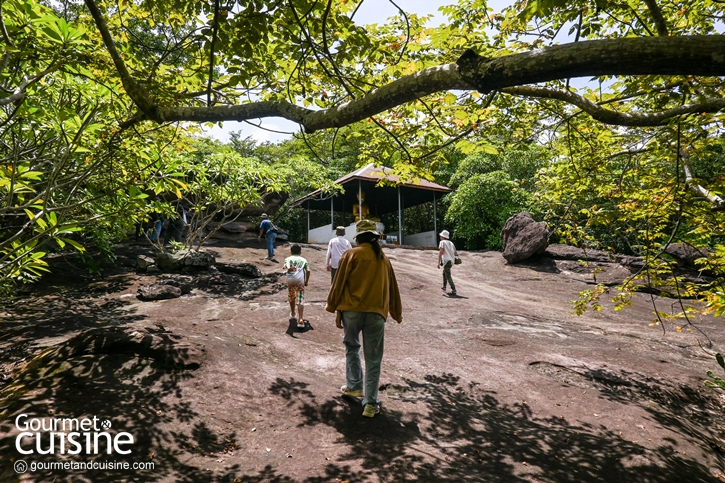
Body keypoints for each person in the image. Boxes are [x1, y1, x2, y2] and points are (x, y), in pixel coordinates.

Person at [326, 219, 403, 418]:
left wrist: (332, 305)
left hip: (351, 312)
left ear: (358, 238)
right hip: (376, 313)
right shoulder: (383, 259)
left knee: (352, 347)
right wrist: (396, 312)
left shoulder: (351, 255)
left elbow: (338, 283)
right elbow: (393, 288)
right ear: (375, 238)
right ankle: (370, 403)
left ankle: (354, 386)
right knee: (373, 358)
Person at [283, 244, 310, 329]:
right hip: (300, 281)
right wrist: (306, 281)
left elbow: (287, 265)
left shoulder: (288, 259)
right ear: (300, 252)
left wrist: (289, 268)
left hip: (291, 280)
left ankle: (293, 313)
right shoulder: (303, 260)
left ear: (290, 252)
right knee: (300, 299)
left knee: (291, 296)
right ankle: (301, 319)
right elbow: (308, 270)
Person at [437, 229, 458, 296]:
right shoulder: (451, 243)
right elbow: (455, 253)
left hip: (446, 261)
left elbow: (441, 252)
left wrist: (438, 262)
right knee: (444, 273)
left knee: (448, 275)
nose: (440, 237)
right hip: (451, 261)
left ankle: (453, 289)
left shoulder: (442, 242)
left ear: (443, 236)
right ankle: (444, 286)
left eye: (441, 236)